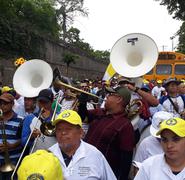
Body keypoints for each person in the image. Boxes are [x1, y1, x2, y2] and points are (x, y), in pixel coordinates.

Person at [49, 109, 116, 180]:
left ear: (80, 132)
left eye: (68, 129)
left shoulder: (95, 155)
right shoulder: (48, 155)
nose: (63, 133)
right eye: (59, 129)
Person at [84, 86, 135, 180]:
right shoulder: (100, 112)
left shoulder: (125, 125)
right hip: (84, 166)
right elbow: (82, 116)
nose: (106, 97)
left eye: (110, 95)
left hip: (102, 173)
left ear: (119, 99)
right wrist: (82, 102)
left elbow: (126, 159)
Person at [21, 89, 57, 153]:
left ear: (52, 102)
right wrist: (32, 137)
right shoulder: (29, 118)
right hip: (35, 157)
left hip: (53, 157)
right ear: (37, 102)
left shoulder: (58, 117)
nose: (42, 105)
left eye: (46, 102)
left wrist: (47, 119)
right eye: (40, 102)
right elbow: (23, 143)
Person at [0, 93, 23, 180]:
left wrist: (11, 146)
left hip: (13, 159)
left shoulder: (20, 120)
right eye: (0, 103)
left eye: (5, 103)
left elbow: (24, 140)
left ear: (12, 104)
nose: (2, 106)